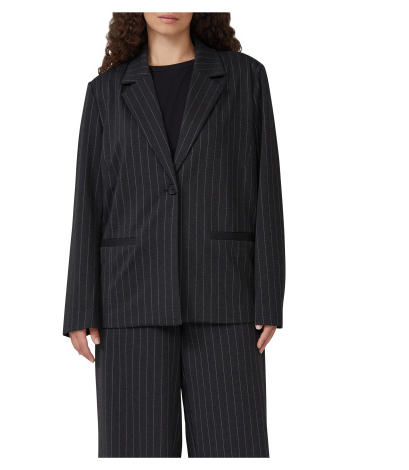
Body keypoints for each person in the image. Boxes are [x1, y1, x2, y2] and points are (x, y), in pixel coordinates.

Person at [63, 12, 285, 458]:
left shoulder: (246, 79)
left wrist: (268, 297)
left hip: (226, 299)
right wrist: (80, 306)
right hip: (129, 304)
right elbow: (88, 200)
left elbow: (267, 190)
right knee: (134, 455)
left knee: (235, 452)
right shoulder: (105, 92)